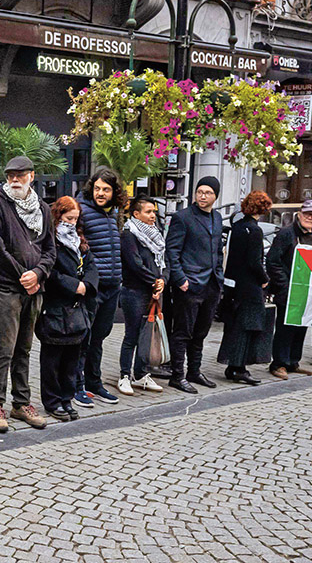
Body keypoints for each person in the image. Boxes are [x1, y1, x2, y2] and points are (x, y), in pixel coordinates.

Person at [0, 155, 55, 432]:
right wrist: (23, 276)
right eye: (10, 174)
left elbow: (50, 248)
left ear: (31, 176)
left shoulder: (43, 209)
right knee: (4, 348)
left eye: (20, 175)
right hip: (6, 288)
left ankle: (21, 402)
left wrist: (38, 273)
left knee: (24, 348)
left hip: (34, 288)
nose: (14, 179)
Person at [37, 196, 98, 421]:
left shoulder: (79, 240)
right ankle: (52, 402)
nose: (72, 223)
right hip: (55, 307)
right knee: (52, 361)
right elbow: (49, 271)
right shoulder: (50, 240)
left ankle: (66, 398)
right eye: (68, 218)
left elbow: (91, 265)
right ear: (58, 216)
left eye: (75, 219)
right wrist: (74, 286)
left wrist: (87, 285)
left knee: (72, 361)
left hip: (77, 310)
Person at [165, 177, 224, 394]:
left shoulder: (217, 218)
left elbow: (218, 250)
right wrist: (180, 280)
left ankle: (194, 371)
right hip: (189, 285)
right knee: (183, 332)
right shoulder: (183, 218)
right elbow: (172, 251)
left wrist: (219, 276)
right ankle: (177, 375)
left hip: (211, 285)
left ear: (215, 196)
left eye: (207, 192)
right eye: (199, 191)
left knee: (200, 332)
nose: (202, 196)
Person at [75, 168, 125, 407]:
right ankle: (76, 386)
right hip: (93, 287)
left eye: (106, 189)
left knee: (99, 338)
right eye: (97, 188)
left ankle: (94, 382)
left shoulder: (113, 212)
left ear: (114, 191)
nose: (101, 193)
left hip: (113, 285)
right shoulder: (82, 211)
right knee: (83, 338)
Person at [217, 191, 272, 386]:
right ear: (264, 209)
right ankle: (239, 368)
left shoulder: (238, 227)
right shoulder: (255, 231)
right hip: (250, 286)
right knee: (248, 327)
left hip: (235, 284)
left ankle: (233, 365)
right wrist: (265, 280)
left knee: (234, 326)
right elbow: (254, 262)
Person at [266, 200, 312, 379]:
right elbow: (273, 261)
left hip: (309, 291)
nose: (309, 217)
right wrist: (284, 284)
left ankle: (293, 361)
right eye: (306, 213)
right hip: (289, 290)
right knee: (285, 327)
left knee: (302, 325)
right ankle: (279, 364)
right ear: (299, 214)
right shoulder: (286, 233)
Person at [117, 195, 167, 395]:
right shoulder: (129, 235)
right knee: (132, 335)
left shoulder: (156, 234)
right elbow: (135, 263)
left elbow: (163, 261)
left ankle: (141, 375)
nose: (153, 215)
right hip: (134, 292)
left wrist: (163, 279)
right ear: (136, 214)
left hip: (153, 292)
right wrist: (154, 281)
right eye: (148, 212)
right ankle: (124, 376)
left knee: (145, 335)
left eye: (154, 211)